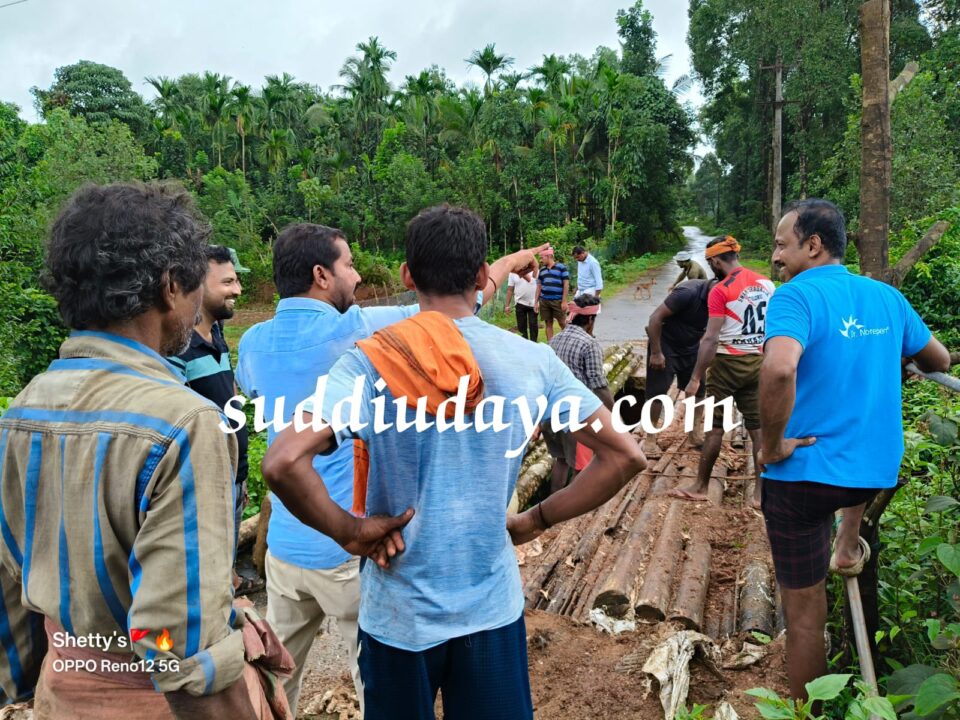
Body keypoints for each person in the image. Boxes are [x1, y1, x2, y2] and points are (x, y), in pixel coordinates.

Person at [261, 205, 645, 720]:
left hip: (398, 617)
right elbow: (624, 456)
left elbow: (283, 461)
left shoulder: (370, 361)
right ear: (483, 276)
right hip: (490, 609)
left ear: (407, 276)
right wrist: (536, 519)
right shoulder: (533, 361)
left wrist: (350, 533)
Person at [0, 183, 290, 719]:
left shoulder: (20, 411)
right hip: (152, 701)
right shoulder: (183, 423)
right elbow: (176, 648)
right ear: (169, 285)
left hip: (61, 691)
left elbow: (10, 585)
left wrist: (24, 685)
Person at [236, 223, 548, 716]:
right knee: (376, 683)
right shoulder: (364, 331)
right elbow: (455, 306)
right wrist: (511, 262)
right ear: (321, 275)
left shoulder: (252, 342)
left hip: (287, 544)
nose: (358, 277)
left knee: (276, 684)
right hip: (351, 544)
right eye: (348, 265)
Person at [758, 199, 949, 702]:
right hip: (873, 472)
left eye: (781, 245)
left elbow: (779, 368)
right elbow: (939, 359)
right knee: (851, 469)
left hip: (803, 478)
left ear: (813, 245)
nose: (775, 257)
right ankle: (846, 542)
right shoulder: (887, 297)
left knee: (804, 618)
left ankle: (807, 711)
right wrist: (889, 350)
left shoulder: (795, 297)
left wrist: (772, 445)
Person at [169, 245, 261, 595]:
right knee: (205, 564)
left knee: (224, 553)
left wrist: (240, 475)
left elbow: (228, 391)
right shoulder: (178, 347)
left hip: (232, 473)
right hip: (206, 480)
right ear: (196, 284)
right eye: (227, 282)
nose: (237, 289)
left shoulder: (217, 332)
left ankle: (232, 584)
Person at [672, 235, 775, 508]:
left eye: (711, 263)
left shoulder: (720, 290)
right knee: (757, 429)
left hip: (726, 365)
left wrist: (695, 377)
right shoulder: (767, 284)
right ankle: (759, 494)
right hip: (758, 362)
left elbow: (711, 338)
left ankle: (700, 486)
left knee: (715, 428)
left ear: (716, 261)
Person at [542, 295, 615, 494]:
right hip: (576, 415)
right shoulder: (589, 344)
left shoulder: (555, 339)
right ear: (590, 319)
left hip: (550, 412)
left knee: (561, 460)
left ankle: (553, 504)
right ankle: (574, 510)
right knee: (581, 466)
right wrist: (613, 414)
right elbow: (599, 385)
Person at [643, 278, 716, 456]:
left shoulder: (723, 300)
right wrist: (656, 352)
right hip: (665, 345)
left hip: (691, 346)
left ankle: (694, 433)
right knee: (657, 392)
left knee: (699, 390)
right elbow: (654, 318)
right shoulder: (687, 292)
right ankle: (650, 438)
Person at [536, 248, 569, 340]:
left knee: (562, 322)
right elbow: (539, 286)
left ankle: (567, 341)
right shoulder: (542, 270)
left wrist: (564, 301)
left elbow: (566, 284)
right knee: (548, 323)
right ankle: (550, 345)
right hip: (544, 301)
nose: (541, 260)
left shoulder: (561, 267)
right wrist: (536, 302)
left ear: (549, 256)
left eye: (542, 257)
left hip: (557, 300)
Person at [504, 266, 539, 342]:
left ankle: (534, 344)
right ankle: (524, 344)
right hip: (520, 303)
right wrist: (507, 305)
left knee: (533, 324)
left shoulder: (535, 270)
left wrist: (538, 301)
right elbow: (510, 289)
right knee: (521, 326)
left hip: (533, 303)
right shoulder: (513, 273)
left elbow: (540, 286)